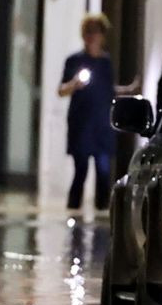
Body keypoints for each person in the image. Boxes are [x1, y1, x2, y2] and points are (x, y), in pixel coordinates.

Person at [58, 13, 139, 213]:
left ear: (102, 36)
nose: (92, 36)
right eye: (89, 32)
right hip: (81, 123)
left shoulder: (105, 62)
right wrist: (74, 84)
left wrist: (128, 90)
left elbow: (107, 89)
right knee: (81, 170)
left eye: (96, 32)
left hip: (101, 124)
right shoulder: (74, 61)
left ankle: (102, 211)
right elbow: (61, 90)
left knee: (103, 170)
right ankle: (74, 210)